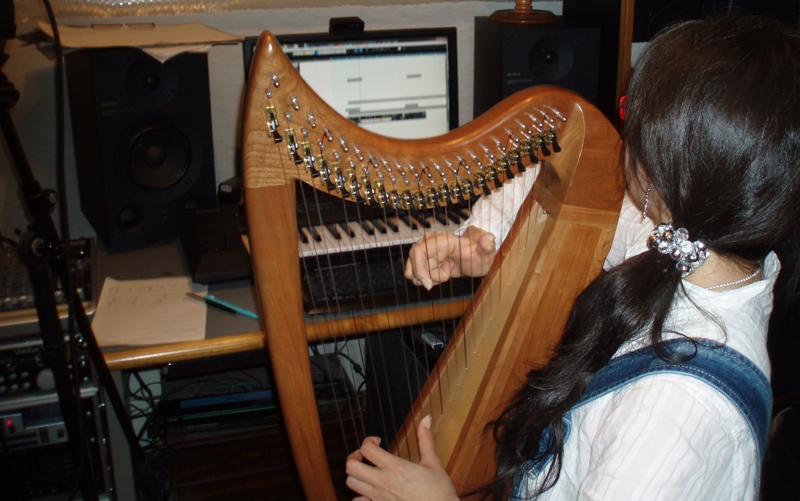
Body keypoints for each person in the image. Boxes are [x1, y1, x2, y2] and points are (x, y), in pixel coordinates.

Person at [346, 14, 800, 501]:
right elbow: (547, 179)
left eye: (631, 115)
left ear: (667, 163)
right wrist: (482, 239)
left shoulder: (673, 412)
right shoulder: (705, 248)